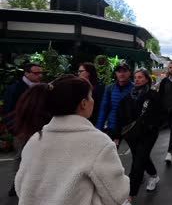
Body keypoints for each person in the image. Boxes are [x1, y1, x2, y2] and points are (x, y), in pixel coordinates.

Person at [15, 76, 129, 205]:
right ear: (83, 103)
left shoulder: (36, 139)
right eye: (90, 96)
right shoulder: (98, 143)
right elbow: (116, 195)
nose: (93, 101)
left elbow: (21, 186)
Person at [117, 69, 163, 205]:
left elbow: (162, 114)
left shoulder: (153, 95)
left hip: (148, 134)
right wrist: (119, 133)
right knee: (142, 157)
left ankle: (130, 196)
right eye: (135, 77)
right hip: (132, 135)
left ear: (147, 79)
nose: (136, 79)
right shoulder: (129, 96)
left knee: (137, 162)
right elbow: (121, 115)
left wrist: (152, 125)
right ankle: (154, 176)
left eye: (140, 77)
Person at [3, 63, 43, 197]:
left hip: (38, 129)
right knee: (20, 157)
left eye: (40, 73)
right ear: (27, 73)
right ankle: (16, 185)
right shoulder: (15, 88)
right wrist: (14, 130)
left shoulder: (41, 88)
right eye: (36, 73)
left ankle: (31, 185)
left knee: (37, 158)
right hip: (21, 129)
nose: (40, 76)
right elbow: (7, 111)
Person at [7, 83, 52, 198]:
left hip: (24, 133)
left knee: (22, 159)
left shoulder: (27, 104)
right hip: (31, 135)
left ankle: (17, 185)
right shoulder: (46, 113)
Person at [96, 62, 134, 143]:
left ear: (129, 73)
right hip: (112, 127)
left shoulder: (135, 89)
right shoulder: (110, 88)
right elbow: (103, 109)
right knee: (109, 153)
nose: (121, 74)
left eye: (124, 71)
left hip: (130, 128)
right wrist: (99, 128)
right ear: (116, 73)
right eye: (119, 71)